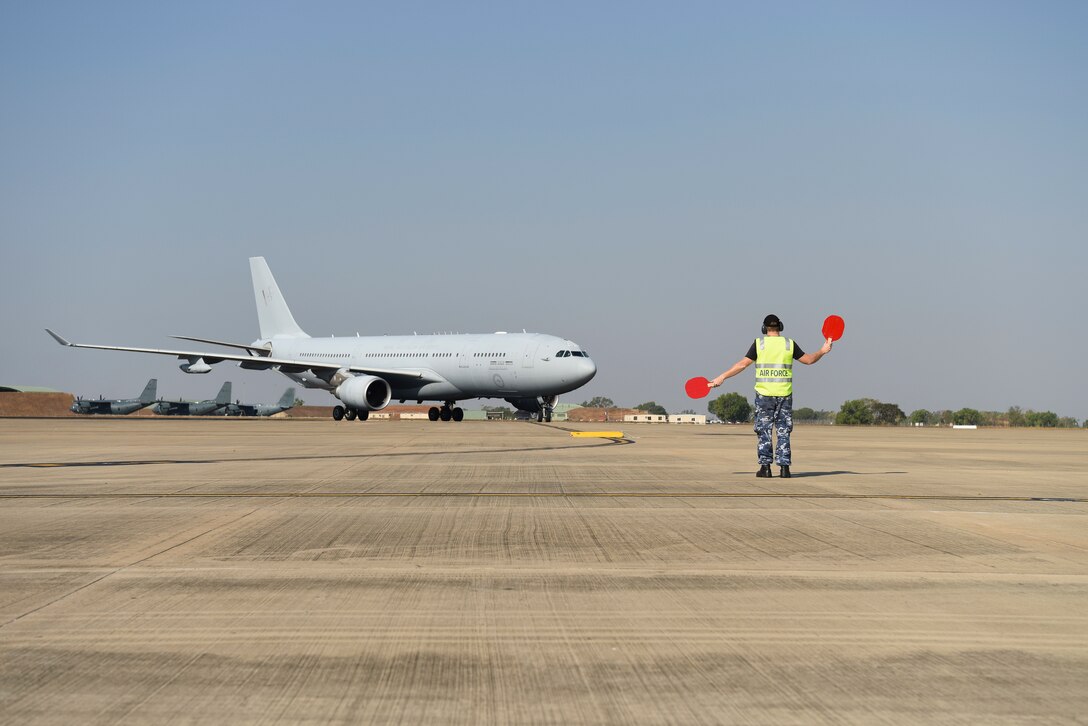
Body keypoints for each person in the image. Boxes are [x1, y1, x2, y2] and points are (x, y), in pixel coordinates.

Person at [707, 314, 833, 478]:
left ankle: (765, 468)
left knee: (764, 431)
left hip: (764, 395)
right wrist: (822, 351)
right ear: (780, 327)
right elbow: (809, 360)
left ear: (764, 328)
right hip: (784, 394)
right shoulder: (789, 344)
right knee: (783, 431)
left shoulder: (759, 344)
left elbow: (742, 365)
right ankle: (784, 469)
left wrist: (722, 377)